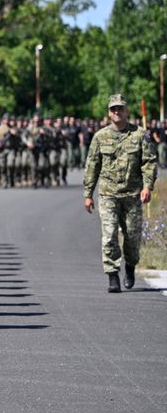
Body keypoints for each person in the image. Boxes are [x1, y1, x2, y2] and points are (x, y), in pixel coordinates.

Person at [83, 94, 157, 292]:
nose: (117, 112)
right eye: (113, 109)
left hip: (132, 195)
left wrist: (147, 186)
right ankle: (112, 275)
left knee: (132, 238)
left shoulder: (139, 134)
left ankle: (130, 267)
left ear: (126, 111)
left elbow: (149, 162)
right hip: (108, 194)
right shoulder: (100, 137)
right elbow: (92, 166)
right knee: (109, 236)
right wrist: (88, 194)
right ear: (109, 112)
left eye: (120, 108)